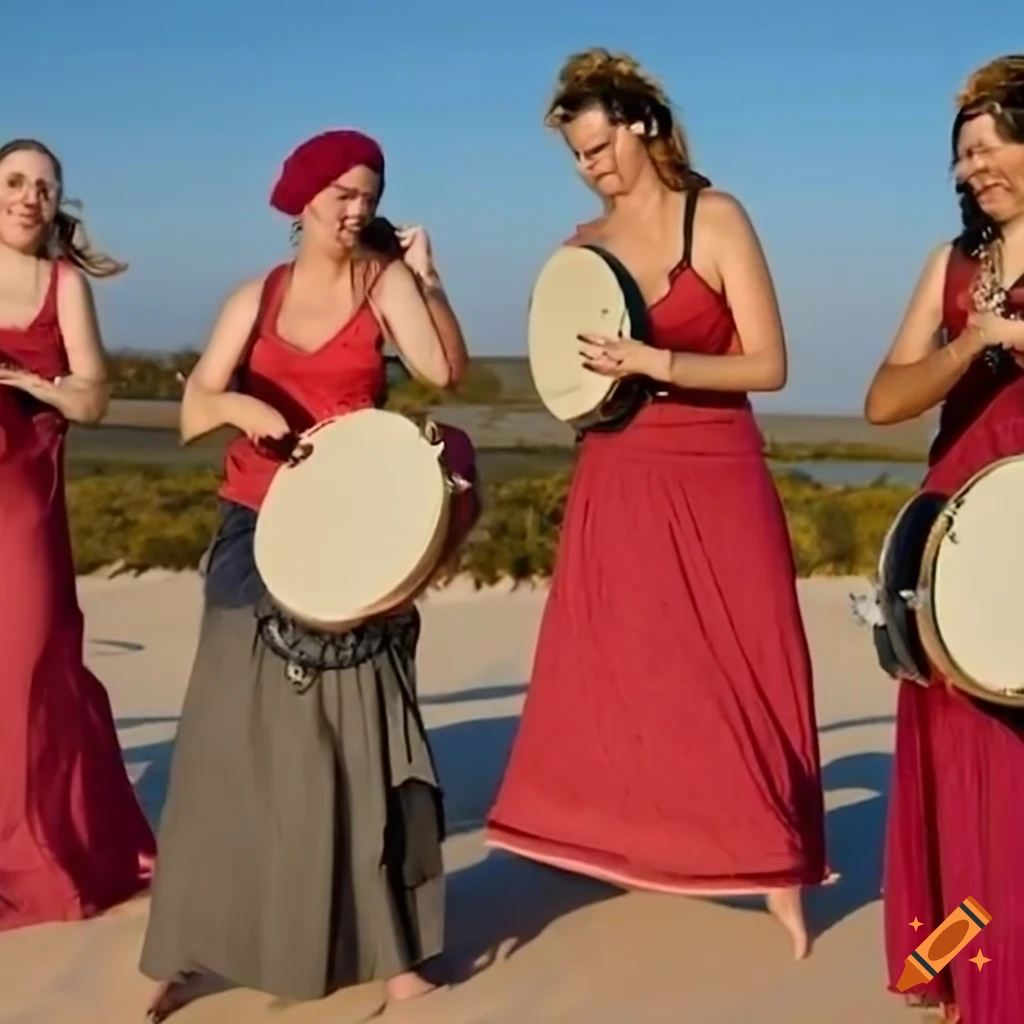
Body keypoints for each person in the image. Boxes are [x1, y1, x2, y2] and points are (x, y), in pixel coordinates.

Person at [485, 48, 830, 959]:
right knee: (617, 664)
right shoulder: (578, 249)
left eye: (597, 145)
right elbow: (567, 374)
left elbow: (770, 363)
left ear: (639, 126)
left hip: (716, 466)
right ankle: (615, 839)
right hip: (619, 467)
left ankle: (779, 866)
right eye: (575, 155)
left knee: (745, 660)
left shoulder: (712, 218)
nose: (589, 166)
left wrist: (657, 363)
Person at [139, 129, 467, 1021]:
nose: (355, 208)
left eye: (369, 193)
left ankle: (396, 957)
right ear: (302, 197)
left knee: (359, 746)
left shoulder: (382, 280)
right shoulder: (258, 295)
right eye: (341, 193)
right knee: (225, 749)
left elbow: (443, 370)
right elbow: (192, 408)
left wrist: (429, 277)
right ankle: (199, 944)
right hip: (256, 525)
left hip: (357, 535)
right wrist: (244, 403)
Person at [864, 55, 1024, 1024]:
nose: (971, 170)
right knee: (960, 775)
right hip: (954, 548)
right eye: (961, 157)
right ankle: (972, 973)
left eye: (989, 146)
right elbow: (883, 400)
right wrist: (972, 341)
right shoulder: (951, 267)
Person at [0, 138, 156, 930]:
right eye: (16, 182)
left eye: (44, 187)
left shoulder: (61, 284)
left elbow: (93, 401)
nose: (30, 196)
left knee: (29, 668)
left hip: (20, 492)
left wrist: (33, 382)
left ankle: (36, 850)